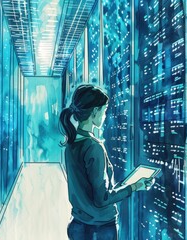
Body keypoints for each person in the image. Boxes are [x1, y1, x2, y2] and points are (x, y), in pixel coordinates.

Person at [59, 84, 154, 240]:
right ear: (95, 111)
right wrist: (136, 186)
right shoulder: (94, 147)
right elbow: (102, 198)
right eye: (103, 110)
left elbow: (91, 189)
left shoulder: (71, 144)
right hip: (99, 230)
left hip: (78, 226)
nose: (104, 116)